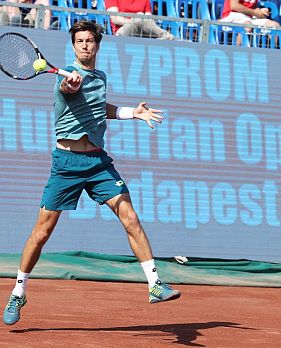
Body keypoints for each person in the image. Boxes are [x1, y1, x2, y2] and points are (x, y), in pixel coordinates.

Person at [3, 20, 181, 326]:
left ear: (97, 45)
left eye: (90, 41)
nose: (85, 45)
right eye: (80, 41)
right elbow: (68, 88)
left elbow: (100, 106)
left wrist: (131, 113)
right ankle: (18, 292)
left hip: (98, 162)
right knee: (41, 233)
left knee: (131, 217)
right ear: (73, 46)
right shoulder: (65, 80)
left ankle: (154, 284)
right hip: (67, 165)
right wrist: (69, 83)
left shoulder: (100, 77)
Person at [105, 0, 176, 39]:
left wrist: (139, 20)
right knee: (140, 16)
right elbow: (115, 19)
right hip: (122, 31)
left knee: (142, 17)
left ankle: (164, 37)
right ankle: (166, 36)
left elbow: (149, 19)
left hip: (142, 31)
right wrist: (135, 20)